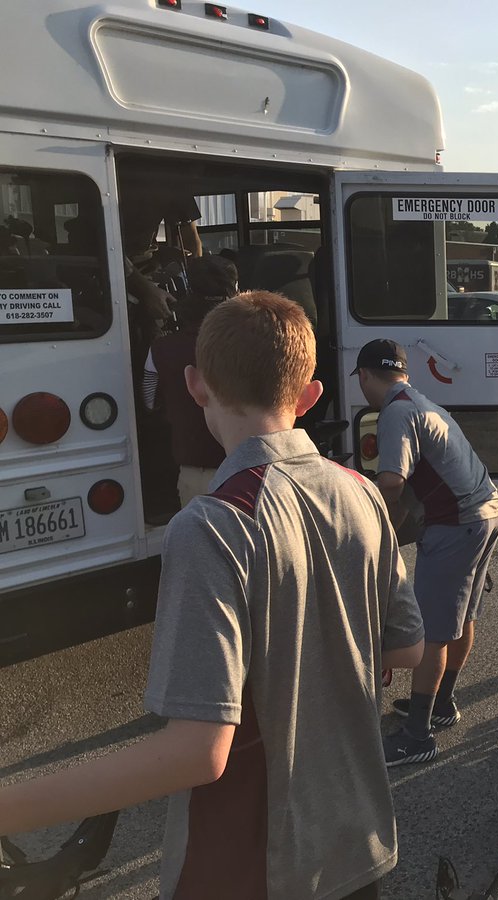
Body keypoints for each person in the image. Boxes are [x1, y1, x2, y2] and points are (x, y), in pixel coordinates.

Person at [0, 292, 426, 900]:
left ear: (195, 386)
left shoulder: (212, 525)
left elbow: (197, 754)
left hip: (258, 864)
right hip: (356, 844)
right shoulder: (360, 490)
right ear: (310, 396)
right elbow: (406, 650)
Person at [355, 339, 498, 766]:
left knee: (434, 630)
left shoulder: (395, 413)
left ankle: (417, 736)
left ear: (364, 376)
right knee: (462, 617)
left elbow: (391, 483)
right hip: (487, 511)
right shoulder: (421, 402)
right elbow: (412, 486)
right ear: (403, 372)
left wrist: (364, 517)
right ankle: (440, 703)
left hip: (457, 523)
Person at [142, 255, 239, 507]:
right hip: (249, 471)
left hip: (196, 474)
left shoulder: (161, 349)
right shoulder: (258, 342)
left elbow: (149, 402)